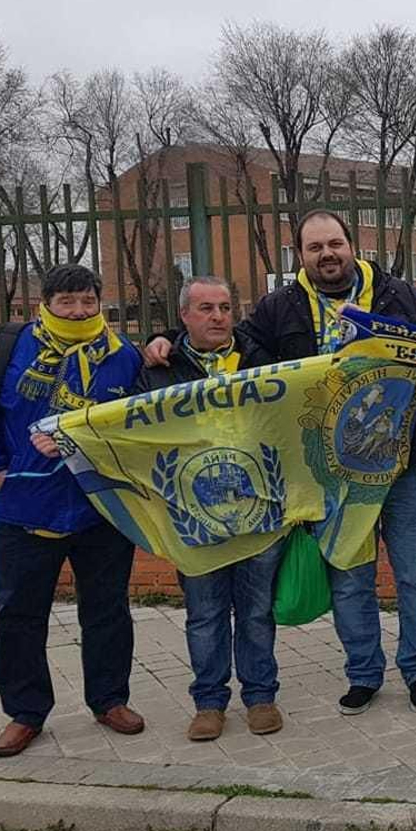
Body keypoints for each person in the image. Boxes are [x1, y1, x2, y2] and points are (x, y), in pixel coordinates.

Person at [146, 209, 416, 717]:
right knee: (349, 576)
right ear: (301, 256)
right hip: (330, 469)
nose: (327, 254)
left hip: (406, 463)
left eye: (335, 243)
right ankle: (364, 675)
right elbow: (222, 339)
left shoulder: (400, 296)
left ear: (352, 245)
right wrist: (161, 343)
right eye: (315, 248)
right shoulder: (279, 307)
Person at [0, 264, 146, 757]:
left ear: (100, 303)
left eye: (87, 301)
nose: (78, 311)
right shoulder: (10, 350)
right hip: (23, 508)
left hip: (100, 509)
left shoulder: (123, 357)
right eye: (66, 302)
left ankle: (109, 699)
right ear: (46, 304)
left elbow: (146, 421)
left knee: (107, 611)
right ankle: (26, 711)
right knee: (18, 616)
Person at [137, 275, 283, 742]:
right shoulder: (161, 366)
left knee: (257, 610)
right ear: (184, 316)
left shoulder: (261, 360)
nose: (218, 316)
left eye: (224, 307)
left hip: (257, 511)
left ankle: (260, 697)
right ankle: (209, 702)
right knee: (205, 613)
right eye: (206, 309)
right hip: (192, 516)